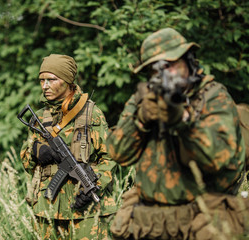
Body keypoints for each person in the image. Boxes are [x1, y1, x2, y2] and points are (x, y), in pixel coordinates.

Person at [106, 28, 248, 239]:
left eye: (170, 65)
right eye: (156, 69)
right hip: (148, 225)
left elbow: (218, 159)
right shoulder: (143, 100)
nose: (165, 74)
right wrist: (141, 120)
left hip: (200, 222)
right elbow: (118, 154)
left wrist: (182, 121)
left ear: (188, 60)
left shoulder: (213, 96)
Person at [20, 54, 117, 239]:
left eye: (52, 79)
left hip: (85, 211)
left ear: (67, 81)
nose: (45, 86)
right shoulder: (40, 117)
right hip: (47, 210)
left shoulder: (91, 114)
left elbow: (110, 157)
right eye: (42, 80)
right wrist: (35, 150)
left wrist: (95, 185)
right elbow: (27, 164)